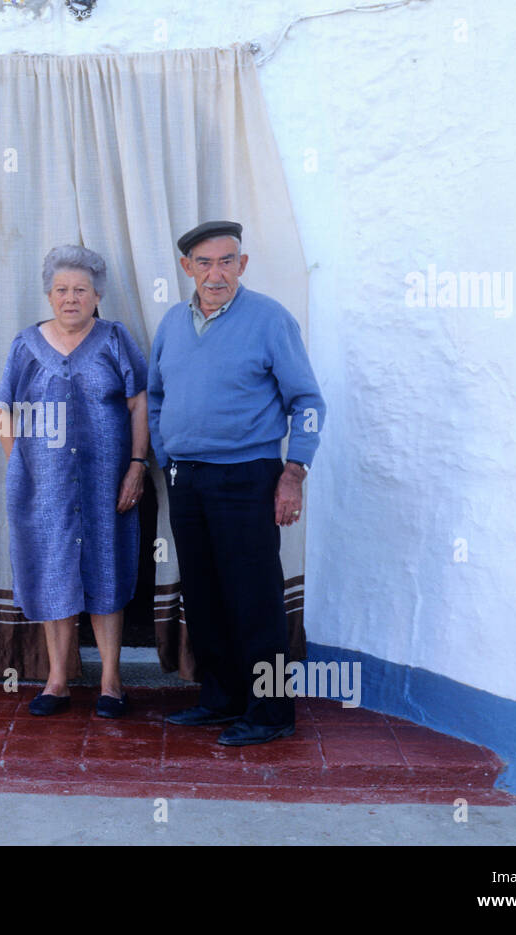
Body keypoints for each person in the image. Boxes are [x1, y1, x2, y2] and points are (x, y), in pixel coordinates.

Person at [147, 221, 326, 745]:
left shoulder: (270, 320)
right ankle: (221, 699)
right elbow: (156, 396)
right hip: (187, 480)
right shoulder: (171, 325)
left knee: (255, 597)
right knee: (203, 594)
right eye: (204, 263)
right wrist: (166, 455)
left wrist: (294, 472)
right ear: (187, 269)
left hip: (248, 477)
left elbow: (308, 402)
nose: (216, 272)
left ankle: (271, 713)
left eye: (227, 261)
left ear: (242, 265)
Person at [0, 245, 149, 718]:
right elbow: (4, 409)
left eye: (81, 289)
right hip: (46, 491)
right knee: (53, 574)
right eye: (61, 289)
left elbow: (139, 402)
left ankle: (111, 683)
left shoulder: (115, 338)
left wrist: (137, 465)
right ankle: (57, 681)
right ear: (48, 295)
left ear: (97, 294)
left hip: (107, 486)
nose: (70, 298)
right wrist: (24, 466)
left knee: (107, 572)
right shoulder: (25, 344)